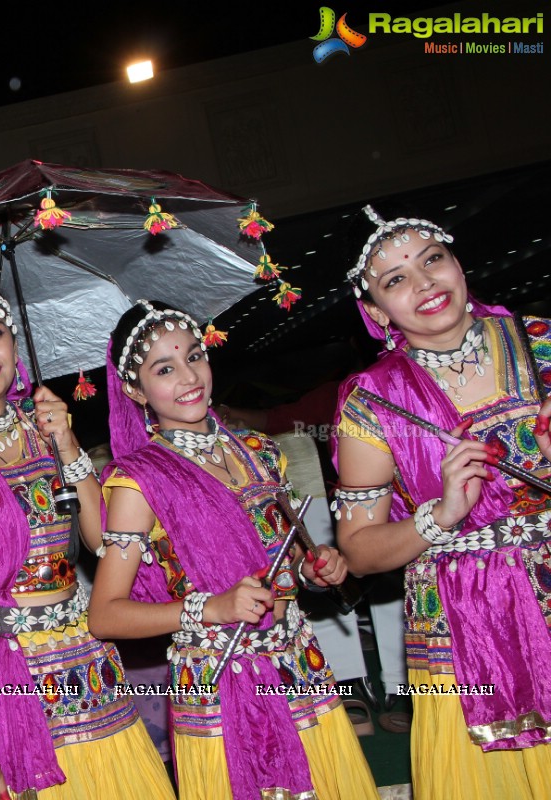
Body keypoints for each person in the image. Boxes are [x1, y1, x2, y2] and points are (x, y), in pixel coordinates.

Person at [0, 272, 175, 800]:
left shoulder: (43, 429)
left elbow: (103, 542)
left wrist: (68, 445)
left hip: (83, 663)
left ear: (15, 340)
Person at [90, 300, 377, 800]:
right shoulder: (136, 481)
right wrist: (212, 607)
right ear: (135, 390)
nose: (189, 376)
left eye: (195, 356)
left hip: (299, 662)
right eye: (164, 368)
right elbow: (106, 616)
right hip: (219, 680)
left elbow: (283, 558)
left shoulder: (260, 451)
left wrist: (314, 570)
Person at [332, 205, 551, 799]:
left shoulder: (542, 345)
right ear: (376, 311)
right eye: (395, 278)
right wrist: (441, 515)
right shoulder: (374, 404)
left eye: (432, 259)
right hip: (464, 626)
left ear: (457, 263)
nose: (425, 283)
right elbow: (358, 551)